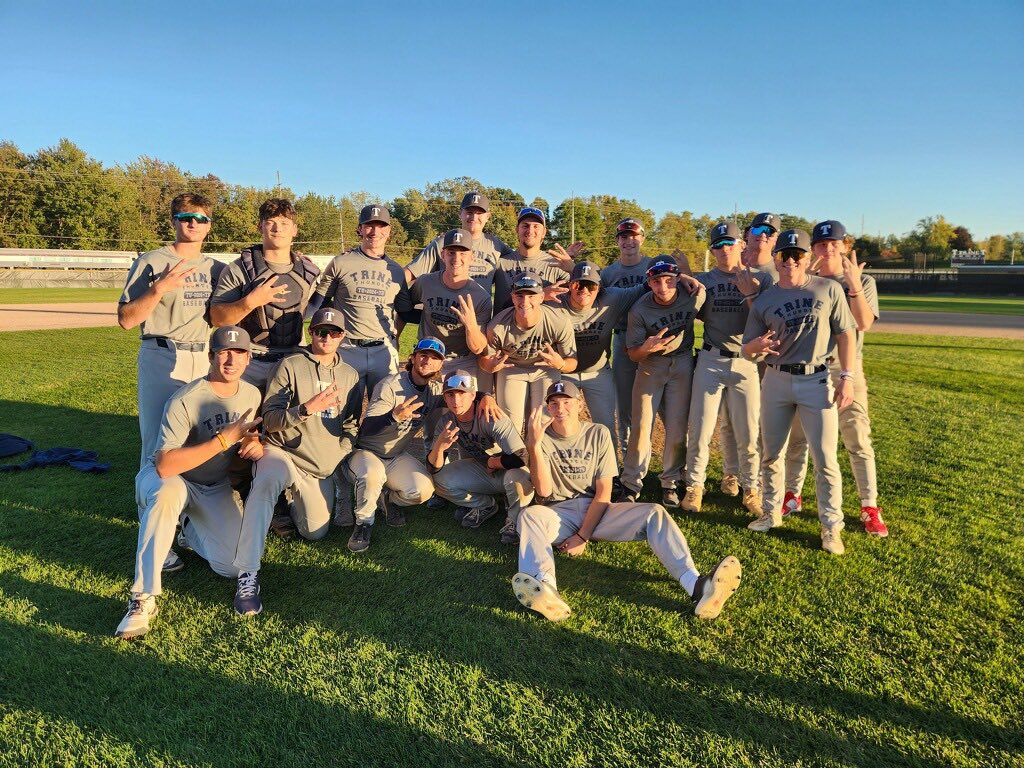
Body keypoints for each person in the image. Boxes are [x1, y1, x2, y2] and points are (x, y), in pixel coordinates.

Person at [512, 381, 742, 622]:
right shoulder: (541, 437)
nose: (561, 409)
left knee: (654, 512)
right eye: (554, 403)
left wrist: (582, 536)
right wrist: (535, 446)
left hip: (598, 510)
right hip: (558, 515)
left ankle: (696, 585)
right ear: (548, 408)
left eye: (567, 402)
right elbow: (544, 491)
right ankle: (545, 587)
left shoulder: (598, 433)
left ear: (580, 405)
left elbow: (603, 493)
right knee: (529, 516)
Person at [115, 326, 264, 639]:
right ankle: (143, 598)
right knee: (168, 494)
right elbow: (166, 464)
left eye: (238, 353)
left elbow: (246, 434)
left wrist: (254, 445)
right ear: (210, 356)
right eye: (223, 351)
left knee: (234, 567)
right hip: (169, 479)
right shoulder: (186, 399)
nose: (230, 359)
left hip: (212, 486)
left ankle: (188, 527)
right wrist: (224, 440)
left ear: (248, 358)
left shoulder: (251, 394)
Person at [233, 309, 363, 612]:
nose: (326, 337)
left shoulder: (350, 375)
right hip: (284, 453)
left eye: (333, 332)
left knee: (315, 532)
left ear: (342, 336)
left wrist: (343, 447)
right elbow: (271, 419)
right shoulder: (290, 365)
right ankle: (247, 574)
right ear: (311, 333)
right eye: (320, 331)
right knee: (267, 481)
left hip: (318, 467)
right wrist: (305, 409)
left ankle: (287, 499)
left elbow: (353, 423)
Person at [742, 229, 856, 555]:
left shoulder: (828, 288)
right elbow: (747, 351)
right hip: (776, 379)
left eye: (798, 255)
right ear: (776, 259)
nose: (791, 261)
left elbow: (846, 334)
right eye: (785, 255)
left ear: (809, 257)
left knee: (825, 459)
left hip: (816, 380)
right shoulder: (764, 299)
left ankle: (831, 527)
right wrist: (756, 345)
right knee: (771, 452)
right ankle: (771, 512)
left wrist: (846, 376)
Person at [782, 220, 888, 537]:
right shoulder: (807, 280)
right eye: (821, 244)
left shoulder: (861, 280)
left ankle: (869, 506)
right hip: (808, 366)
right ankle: (792, 494)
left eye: (834, 243)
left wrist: (854, 286)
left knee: (856, 437)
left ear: (844, 246)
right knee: (798, 437)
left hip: (847, 367)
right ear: (813, 248)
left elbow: (864, 323)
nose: (828, 248)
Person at [118, 193, 224, 468]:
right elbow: (126, 319)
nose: (193, 223)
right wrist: (159, 288)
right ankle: (150, 507)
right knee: (157, 438)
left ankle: (190, 506)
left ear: (209, 225)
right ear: (173, 222)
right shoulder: (151, 262)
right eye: (185, 217)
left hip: (203, 357)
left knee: (199, 434)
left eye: (200, 218)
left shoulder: (216, 268)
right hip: (161, 352)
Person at [681, 221, 773, 515]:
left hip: (745, 361)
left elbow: (767, 321)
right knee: (700, 429)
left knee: (748, 432)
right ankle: (695, 487)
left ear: (741, 246)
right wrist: (686, 278)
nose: (724, 250)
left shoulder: (761, 279)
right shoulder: (704, 279)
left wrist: (751, 294)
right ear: (712, 250)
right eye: (718, 246)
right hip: (710, 358)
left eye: (730, 244)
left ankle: (751, 489)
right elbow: (687, 312)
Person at [342, 338, 447, 552]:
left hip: (395, 456)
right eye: (423, 355)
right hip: (365, 452)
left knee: (423, 490)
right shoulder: (390, 385)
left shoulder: (434, 390)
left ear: (440, 365)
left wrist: (485, 398)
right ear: (413, 357)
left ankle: (388, 499)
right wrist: (393, 416)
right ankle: (363, 524)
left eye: (435, 358)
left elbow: (460, 397)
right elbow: (366, 429)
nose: (427, 361)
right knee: (372, 475)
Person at [617, 257, 705, 506]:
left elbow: (703, 291)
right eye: (656, 281)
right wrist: (646, 348)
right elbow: (633, 353)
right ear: (649, 282)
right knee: (642, 426)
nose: (663, 287)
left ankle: (670, 481)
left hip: (682, 362)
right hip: (650, 365)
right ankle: (631, 482)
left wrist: (688, 277)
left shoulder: (691, 296)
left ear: (677, 279)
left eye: (669, 280)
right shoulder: (640, 309)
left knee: (677, 427)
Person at [311, 204, 419, 403]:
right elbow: (317, 305)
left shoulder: (395, 270)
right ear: (360, 228)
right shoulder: (341, 263)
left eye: (381, 225)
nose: (375, 231)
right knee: (339, 408)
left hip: (383, 350)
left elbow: (406, 311)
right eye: (369, 225)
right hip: (347, 348)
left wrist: (440, 312)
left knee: (386, 409)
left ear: (388, 231)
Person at [209, 198, 321, 391]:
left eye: (285, 223)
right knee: (246, 420)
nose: (278, 229)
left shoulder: (310, 272)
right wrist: (250, 302)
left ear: (294, 230)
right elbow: (217, 318)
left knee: (287, 421)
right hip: (250, 363)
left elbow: (318, 311)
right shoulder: (239, 269)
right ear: (260, 226)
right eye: (270, 222)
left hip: (292, 361)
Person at [718, 212, 783, 496]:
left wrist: (750, 296)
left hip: (763, 358)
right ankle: (730, 473)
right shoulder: (733, 260)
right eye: (758, 228)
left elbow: (774, 321)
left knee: (755, 423)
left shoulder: (777, 272)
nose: (763, 235)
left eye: (770, 231)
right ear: (747, 234)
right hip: (727, 352)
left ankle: (754, 480)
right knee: (729, 421)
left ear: (776, 238)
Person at [427, 370, 533, 544]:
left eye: (462, 393)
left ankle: (514, 520)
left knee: (518, 477)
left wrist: (494, 461)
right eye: (450, 394)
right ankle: (486, 505)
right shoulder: (446, 422)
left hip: (510, 469)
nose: (456, 401)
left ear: (473, 395)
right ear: (444, 398)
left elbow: (522, 457)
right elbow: (433, 467)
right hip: (484, 470)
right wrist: (439, 447)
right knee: (436, 479)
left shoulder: (490, 415)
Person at [481, 274, 578, 435]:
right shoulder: (498, 326)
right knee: (511, 423)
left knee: (543, 420)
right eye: (520, 296)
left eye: (531, 296)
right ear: (512, 297)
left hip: (545, 367)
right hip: (512, 367)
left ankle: (539, 457)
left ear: (541, 297)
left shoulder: (558, 321)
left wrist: (560, 364)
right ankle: (516, 458)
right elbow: (484, 361)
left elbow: (572, 362)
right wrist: (490, 366)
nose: (525, 302)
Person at [409, 228, 492, 382]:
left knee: (461, 405)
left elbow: (478, 348)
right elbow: (404, 308)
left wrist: (471, 326)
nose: (456, 258)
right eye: (451, 252)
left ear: (472, 257)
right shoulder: (425, 282)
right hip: (428, 357)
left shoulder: (481, 297)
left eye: (463, 253)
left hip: (461, 362)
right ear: (442, 255)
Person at [600, 218, 654, 455]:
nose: (629, 241)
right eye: (623, 236)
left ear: (642, 238)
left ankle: (659, 462)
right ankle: (627, 457)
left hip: (652, 339)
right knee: (625, 403)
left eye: (634, 236)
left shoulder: (654, 266)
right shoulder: (609, 272)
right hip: (622, 338)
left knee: (656, 401)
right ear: (617, 241)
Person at [404, 191, 515, 291]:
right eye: (469, 212)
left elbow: (521, 262)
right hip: (445, 310)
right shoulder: (443, 242)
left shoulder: (496, 245)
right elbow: (410, 273)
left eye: (479, 213)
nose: (474, 217)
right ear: (460, 213)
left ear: (488, 216)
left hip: (479, 311)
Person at [492, 206, 578, 313]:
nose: (530, 230)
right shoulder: (501, 263)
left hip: (540, 328)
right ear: (517, 229)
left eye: (536, 226)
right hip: (503, 327)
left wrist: (573, 268)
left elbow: (586, 290)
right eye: (525, 226)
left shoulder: (555, 264)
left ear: (544, 232)